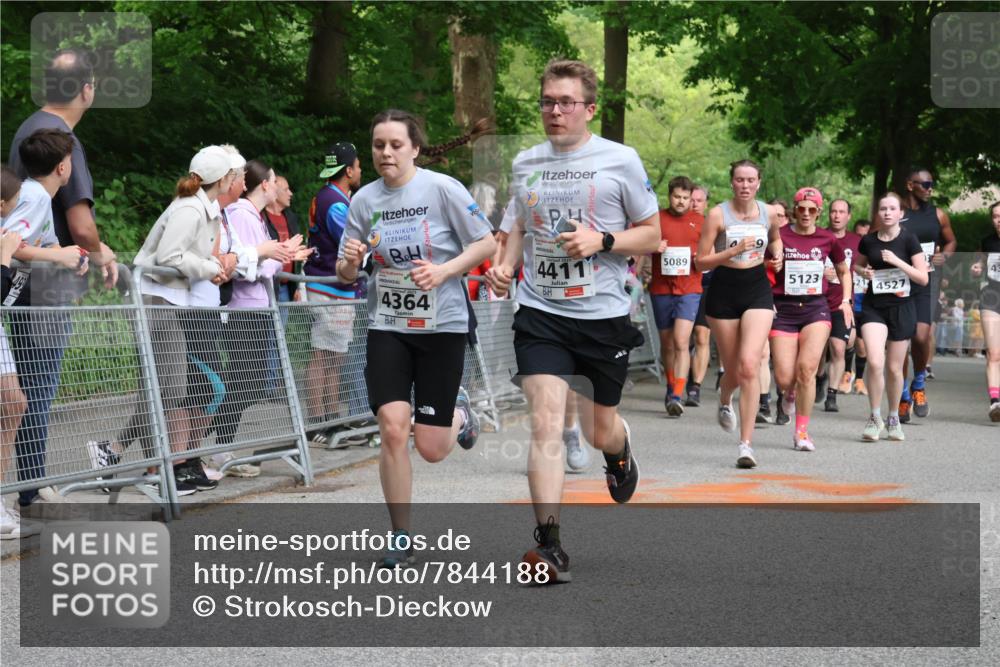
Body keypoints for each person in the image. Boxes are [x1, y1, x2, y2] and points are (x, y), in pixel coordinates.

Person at [486, 59, 659, 583]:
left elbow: (652, 235)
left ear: (589, 108)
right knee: (545, 422)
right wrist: (504, 266)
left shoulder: (620, 160)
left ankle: (619, 446)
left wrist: (603, 240)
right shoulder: (526, 162)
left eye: (565, 102)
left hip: (603, 315)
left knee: (596, 426)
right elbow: (516, 225)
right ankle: (549, 543)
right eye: (546, 101)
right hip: (541, 311)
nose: (554, 111)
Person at [337, 109, 495, 568]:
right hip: (388, 325)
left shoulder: (442, 189)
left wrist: (444, 270)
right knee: (391, 426)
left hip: (441, 326)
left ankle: (460, 416)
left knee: (431, 448)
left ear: (415, 148)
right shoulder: (364, 200)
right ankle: (400, 535)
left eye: (395, 145)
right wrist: (350, 261)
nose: (386, 153)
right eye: (378, 145)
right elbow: (346, 272)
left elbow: (486, 243)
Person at [6, 49, 117, 508]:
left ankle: (30, 482)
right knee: (37, 384)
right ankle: (32, 486)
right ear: (85, 89)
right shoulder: (61, 139)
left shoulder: (27, 129)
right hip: (44, 285)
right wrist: (101, 252)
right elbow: (82, 225)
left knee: (24, 385)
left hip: (24, 280)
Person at [129, 146, 236, 493]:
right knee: (164, 386)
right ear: (222, 180)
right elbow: (170, 255)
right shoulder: (190, 209)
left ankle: (163, 466)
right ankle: (154, 468)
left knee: (172, 386)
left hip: (170, 301)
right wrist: (210, 268)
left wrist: (211, 269)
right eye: (232, 176)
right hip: (154, 300)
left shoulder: (201, 207)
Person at [3, 131, 92, 507]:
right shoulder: (37, 196)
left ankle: (34, 484)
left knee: (27, 397)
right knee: (32, 395)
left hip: (23, 301)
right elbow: (9, 240)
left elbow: (45, 241)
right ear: (63, 166)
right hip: (28, 305)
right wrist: (58, 259)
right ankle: (32, 488)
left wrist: (69, 253)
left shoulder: (39, 196)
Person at [212, 159, 310, 468]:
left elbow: (260, 260)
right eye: (274, 181)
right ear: (264, 185)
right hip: (243, 309)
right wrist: (283, 257)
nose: (281, 187)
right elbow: (245, 266)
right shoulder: (242, 214)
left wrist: (281, 256)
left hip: (256, 307)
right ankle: (218, 445)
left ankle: (220, 443)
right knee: (245, 380)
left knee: (249, 380)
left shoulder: (252, 215)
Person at [696, 160, 782, 468]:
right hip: (724, 292)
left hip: (757, 289)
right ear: (732, 183)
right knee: (732, 368)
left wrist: (778, 252)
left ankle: (745, 445)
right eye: (739, 180)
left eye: (750, 180)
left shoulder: (769, 212)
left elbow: (774, 237)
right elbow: (701, 262)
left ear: (759, 182)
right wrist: (731, 251)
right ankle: (723, 399)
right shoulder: (717, 215)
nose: (745, 185)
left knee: (750, 364)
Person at [768, 187, 850, 452]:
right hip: (784, 309)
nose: (805, 214)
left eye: (811, 209)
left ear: (818, 212)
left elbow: (843, 271)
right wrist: (772, 266)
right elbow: (762, 264)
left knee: (807, 370)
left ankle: (801, 432)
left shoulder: (828, 238)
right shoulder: (780, 235)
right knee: (783, 377)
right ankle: (788, 394)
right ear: (794, 210)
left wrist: (846, 301)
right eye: (801, 209)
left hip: (816, 309)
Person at [854, 192, 929, 442]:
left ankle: (893, 417)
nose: (887, 212)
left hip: (902, 307)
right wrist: (863, 272)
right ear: (878, 213)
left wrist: (897, 261)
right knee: (875, 361)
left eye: (892, 209)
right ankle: (875, 417)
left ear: (900, 214)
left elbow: (922, 277)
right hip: (874, 306)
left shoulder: (909, 240)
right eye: (883, 208)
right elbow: (857, 265)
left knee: (895, 369)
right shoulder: (869, 240)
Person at [303, 142, 364, 435]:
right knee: (323, 353)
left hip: (336, 287)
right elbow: (353, 240)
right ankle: (318, 421)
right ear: (349, 170)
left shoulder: (328, 195)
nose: (361, 170)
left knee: (334, 353)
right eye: (359, 165)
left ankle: (330, 417)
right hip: (329, 286)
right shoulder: (336, 203)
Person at [894, 167, 956, 421]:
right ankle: (903, 396)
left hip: (926, 282)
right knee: (901, 342)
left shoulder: (938, 215)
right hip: (898, 283)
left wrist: (946, 255)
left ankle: (919, 383)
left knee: (921, 337)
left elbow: (951, 240)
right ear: (910, 185)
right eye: (925, 184)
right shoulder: (895, 213)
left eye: (931, 184)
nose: (930, 189)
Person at [646, 176, 702, 417]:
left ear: (692, 199)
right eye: (677, 197)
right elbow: (640, 243)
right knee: (667, 344)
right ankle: (671, 387)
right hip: (661, 289)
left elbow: (710, 251)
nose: (681, 202)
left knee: (681, 341)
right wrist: (652, 246)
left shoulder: (701, 222)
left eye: (685, 198)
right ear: (669, 196)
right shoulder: (656, 219)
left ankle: (678, 393)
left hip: (690, 288)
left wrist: (702, 255)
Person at [820, 198, 862, 412]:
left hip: (841, 303)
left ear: (848, 216)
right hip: (816, 302)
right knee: (818, 352)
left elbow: (862, 265)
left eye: (841, 212)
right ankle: (819, 378)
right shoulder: (819, 237)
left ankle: (832, 395)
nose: (837, 215)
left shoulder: (856, 241)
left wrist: (865, 272)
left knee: (838, 347)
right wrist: (821, 273)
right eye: (833, 211)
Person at [970, 201, 1000, 420]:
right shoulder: (988, 242)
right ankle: (995, 403)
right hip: (992, 297)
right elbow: (978, 265)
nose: (999, 220)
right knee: (993, 352)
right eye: (995, 216)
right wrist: (976, 268)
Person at [763, 198, 791, 424]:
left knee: (784, 363)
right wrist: (767, 265)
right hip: (762, 298)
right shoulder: (759, 238)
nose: (777, 219)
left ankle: (784, 398)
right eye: (773, 216)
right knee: (762, 354)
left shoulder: (795, 240)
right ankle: (763, 402)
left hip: (790, 305)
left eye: (780, 215)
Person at [687, 184, 712, 407]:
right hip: (682, 284)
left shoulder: (712, 225)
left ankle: (695, 386)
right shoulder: (677, 223)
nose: (694, 204)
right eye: (691, 199)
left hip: (707, 284)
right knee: (682, 339)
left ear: (706, 203)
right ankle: (680, 377)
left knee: (702, 335)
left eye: (698, 200)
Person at [851, 219, 872, 395]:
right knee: (845, 342)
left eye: (866, 235)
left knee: (862, 346)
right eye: (859, 235)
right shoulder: (849, 250)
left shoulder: (875, 252)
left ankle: (858, 379)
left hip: (866, 305)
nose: (862, 238)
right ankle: (845, 373)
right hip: (849, 303)